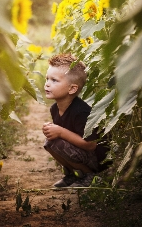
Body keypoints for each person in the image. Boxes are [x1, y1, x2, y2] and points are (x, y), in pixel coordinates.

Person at [42, 53, 110, 187]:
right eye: (47, 79)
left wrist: (60, 132)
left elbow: (91, 145)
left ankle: (91, 176)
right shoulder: (54, 109)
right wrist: (53, 130)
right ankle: (73, 174)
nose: (47, 84)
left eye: (54, 80)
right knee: (50, 142)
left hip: (98, 158)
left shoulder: (81, 111)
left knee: (57, 143)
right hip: (81, 152)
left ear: (72, 88)